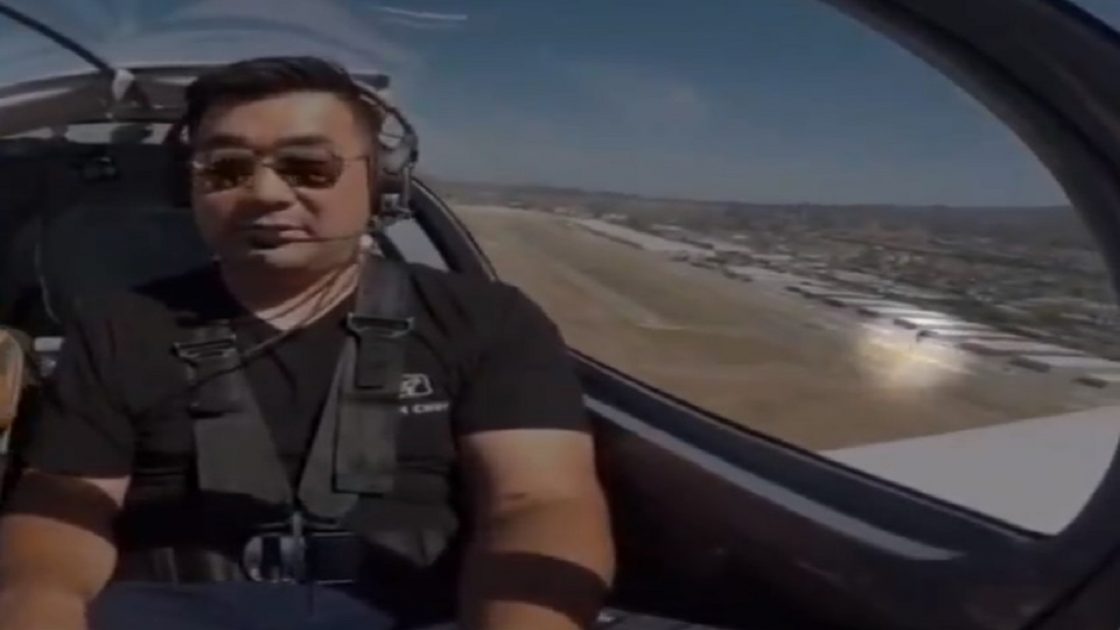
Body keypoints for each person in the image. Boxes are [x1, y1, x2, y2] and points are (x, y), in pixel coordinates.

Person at [0, 56, 615, 630]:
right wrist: (39, 608)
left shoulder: (484, 319)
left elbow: (537, 502)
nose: (265, 193)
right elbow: (66, 508)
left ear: (380, 181)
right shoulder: (120, 325)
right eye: (226, 168)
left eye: (308, 167)